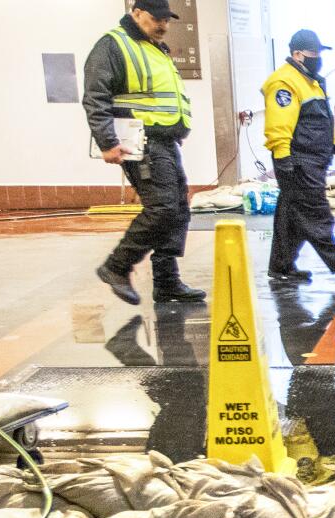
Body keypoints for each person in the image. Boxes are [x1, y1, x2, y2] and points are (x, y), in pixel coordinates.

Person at [85, 0, 206, 306]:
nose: (163, 25)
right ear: (136, 13)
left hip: (164, 141)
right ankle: (117, 266)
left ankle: (167, 282)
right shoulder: (113, 45)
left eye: (167, 19)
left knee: (178, 207)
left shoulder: (155, 47)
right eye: (157, 18)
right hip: (142, 141)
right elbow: (95, 96)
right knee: (163, 208)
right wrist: (106, 142)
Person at [261, 30, 335, 285]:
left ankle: (281, 267)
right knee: (316, 214)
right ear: (297, 54)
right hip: (297, 160)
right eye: (313, 54)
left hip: (312, 159)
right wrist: (282, 156)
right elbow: (279, 124)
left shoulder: (312, 80)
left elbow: (321, 118)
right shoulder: (285, 83)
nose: (318, 58)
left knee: (291, 216)